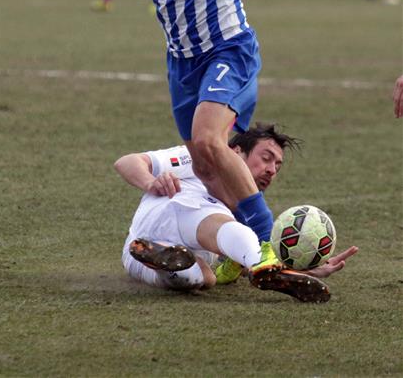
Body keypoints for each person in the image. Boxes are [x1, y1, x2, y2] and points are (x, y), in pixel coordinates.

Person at [20, 0, 392, 271]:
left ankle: (267, 247)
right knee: (208, 169)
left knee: (210, 140)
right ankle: (245, 255)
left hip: (228, 50)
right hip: (181, 64)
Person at [115, 122, 358, 302]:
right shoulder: (201, 159)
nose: (271, 169)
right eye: (266, 158)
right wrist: (150, 182)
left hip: (147, 252)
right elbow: (127, 161)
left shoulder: (253, 211)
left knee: (202, 278)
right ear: (235, 152)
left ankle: (165, 261)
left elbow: (243, 266)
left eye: (277, 165)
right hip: (169, 209)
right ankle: (261, 266)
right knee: (226, 226)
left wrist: (306, 270)